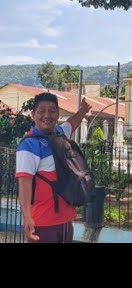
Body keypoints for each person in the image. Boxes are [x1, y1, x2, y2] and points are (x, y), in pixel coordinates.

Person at [15, 92, 92, 243]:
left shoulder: (59, 134)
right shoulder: (29, 145)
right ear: (33, 114)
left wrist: (83, 110)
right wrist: (27, 217)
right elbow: (24, 182)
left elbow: (72, 123)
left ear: (57, 114)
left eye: (52, 110)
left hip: (65, 220)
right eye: (41, 111)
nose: (47, 115)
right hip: (43, 221)